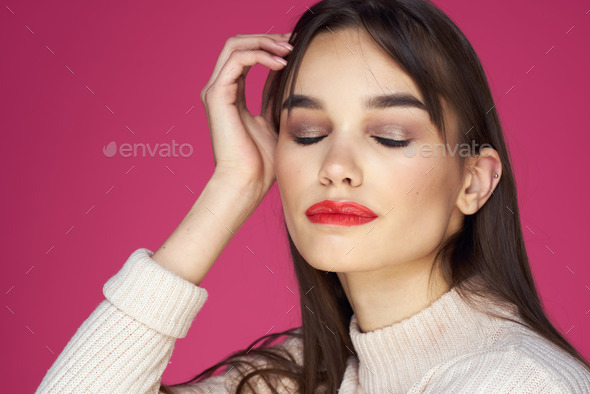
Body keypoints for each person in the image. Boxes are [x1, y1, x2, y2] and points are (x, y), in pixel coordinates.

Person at [36, 0, 590, 392]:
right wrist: (232, 186)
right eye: (307, 134)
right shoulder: (305, 376)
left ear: (474, 181)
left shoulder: (517, 382)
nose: (336, 168)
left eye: (389, 136)